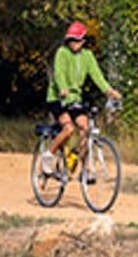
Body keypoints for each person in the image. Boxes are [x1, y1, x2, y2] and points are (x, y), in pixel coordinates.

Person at [41, 22, 121, 176]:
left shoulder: (87, 56)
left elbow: (97, 76)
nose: (73, 43)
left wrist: (109, 91)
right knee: (69, 128)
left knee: (85, 128)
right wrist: (63, 87)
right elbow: (59, 73)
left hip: (74, 98)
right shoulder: (62, 53)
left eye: (77, 40)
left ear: (83, 41)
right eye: (71, 40)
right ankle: (48, 155)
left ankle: (83, 167)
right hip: (57, 97)